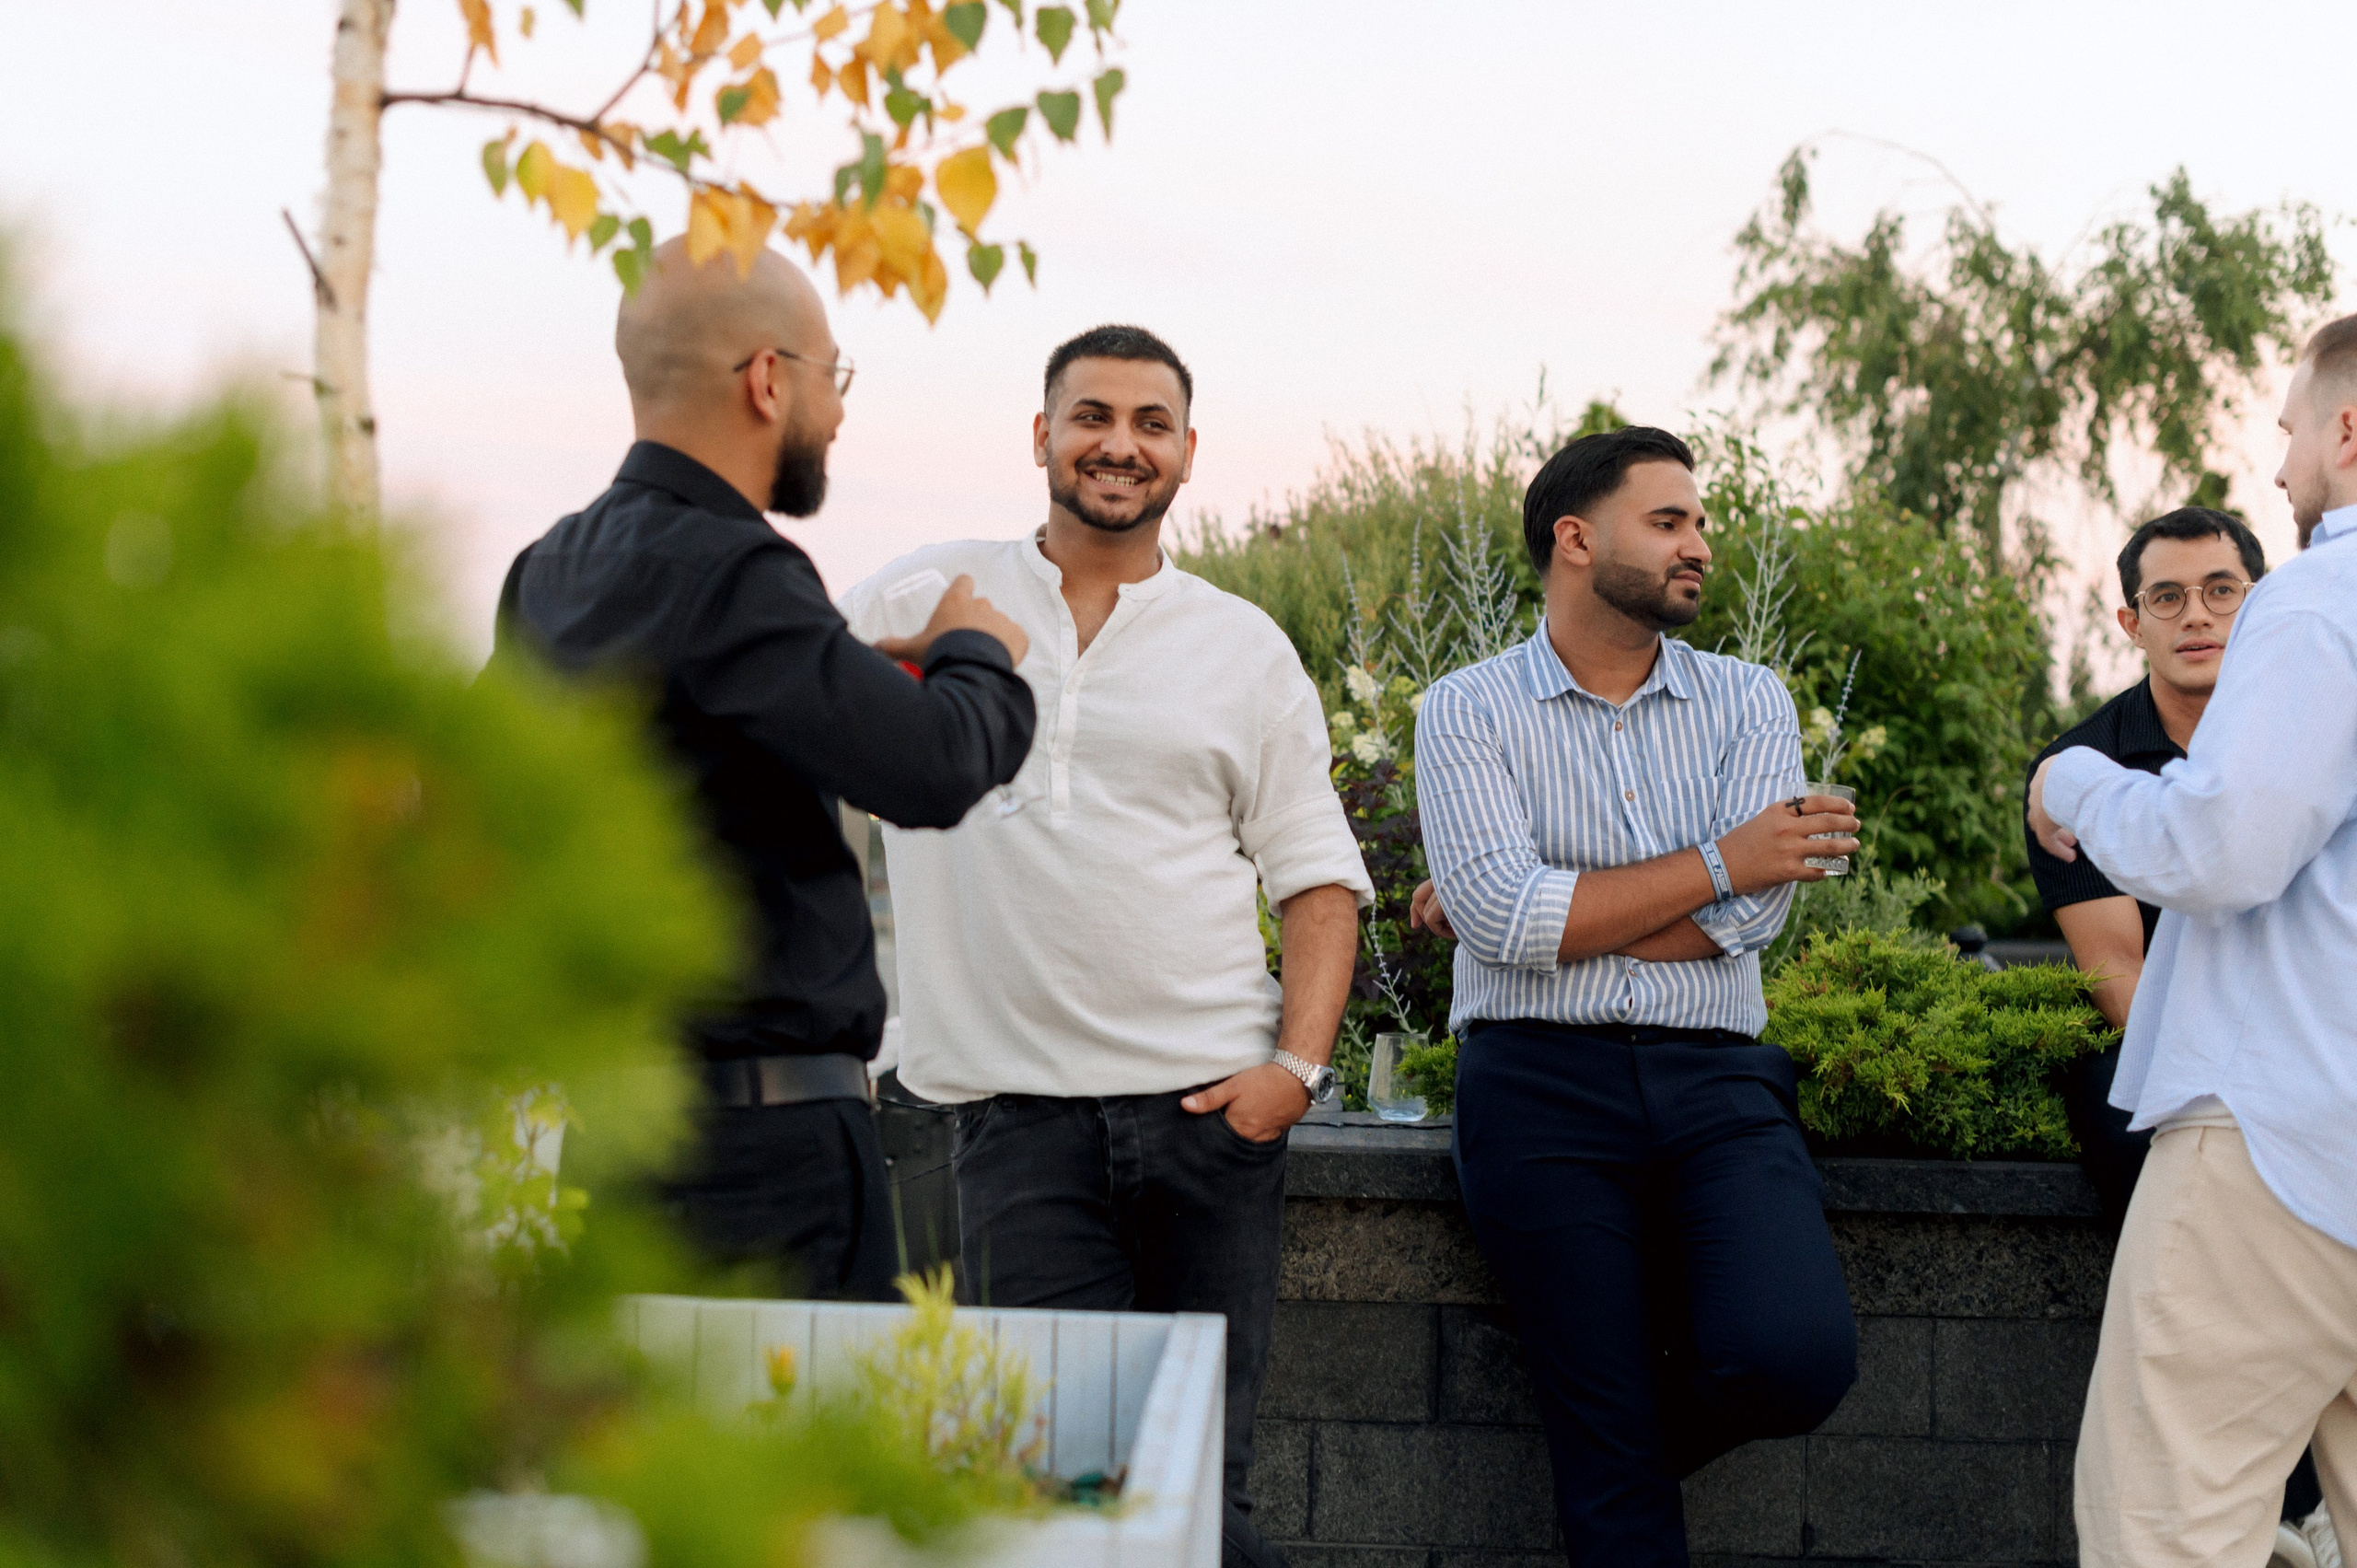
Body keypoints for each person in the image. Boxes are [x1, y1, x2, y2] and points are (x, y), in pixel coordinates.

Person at [839, 324, 1371, 1568]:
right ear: (1042, 435)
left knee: (1192, 1488)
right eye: (1091, 416)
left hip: (1206, 1121)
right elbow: (797, 729)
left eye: (1148, 422)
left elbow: (1318, 881)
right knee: (1064, 1494)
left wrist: (1290, 1072)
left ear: (1187, 452)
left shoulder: (1242, 649)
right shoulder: (927, 595)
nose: (1117, 443)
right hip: (1014, 1123)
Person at [493, 239, 1037, 1300]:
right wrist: (976, 647)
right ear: (768, 377)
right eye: (834, 376)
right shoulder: (738, 571)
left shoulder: (545, 572)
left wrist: (854, 674)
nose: (838, 413)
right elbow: (936, 765)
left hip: (613, 1144)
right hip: (767, 1161)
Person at [1410, 426, 1861, 1565]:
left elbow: (1752, 921)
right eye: (1669, 521)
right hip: (1532, 1085)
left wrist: (1547, 912)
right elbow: (1514, 923)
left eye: (1700, 523)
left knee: (1795, 1357)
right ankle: (1605, 1457)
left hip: (1718, 1082)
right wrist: (1718, 860)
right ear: (1575, 537)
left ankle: (1605, 1445)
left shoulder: (1750, 700)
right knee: (1613, 1484)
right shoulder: (1464, 709)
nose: (1698, 544)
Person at [2027, 314, 2357, 1567]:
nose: (2279, 468)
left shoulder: (2319, 601)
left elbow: (2224, 849)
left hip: (2282, 1139)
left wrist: (2071, 785)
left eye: (2286, 432)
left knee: (2166, 1524)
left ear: (2347, 427)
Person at [2024, 507, 2268, 1229]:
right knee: (2117, 1097)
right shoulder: (2076, 772)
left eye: (2221, 591)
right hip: (2156, 1034)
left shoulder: (2307, 732)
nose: (2197, 615)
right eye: (2168, 597)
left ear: (2257, 603)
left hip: (2305, 1011)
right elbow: (2119, 978)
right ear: (2132, 623)